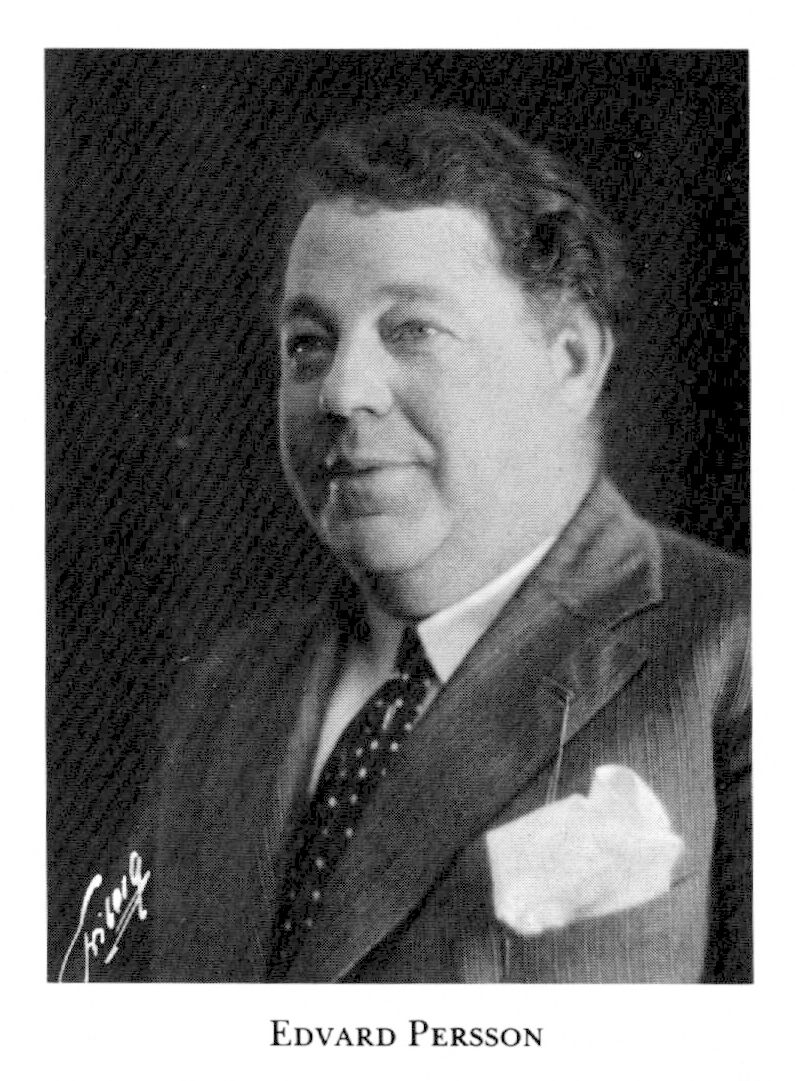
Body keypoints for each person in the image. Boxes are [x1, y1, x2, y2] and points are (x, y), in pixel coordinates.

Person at [59, 108, 750, 983]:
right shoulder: (227, 694)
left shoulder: (732, 652)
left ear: (570, 360)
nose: (341, 391)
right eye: (308, 344)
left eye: (411, 330)